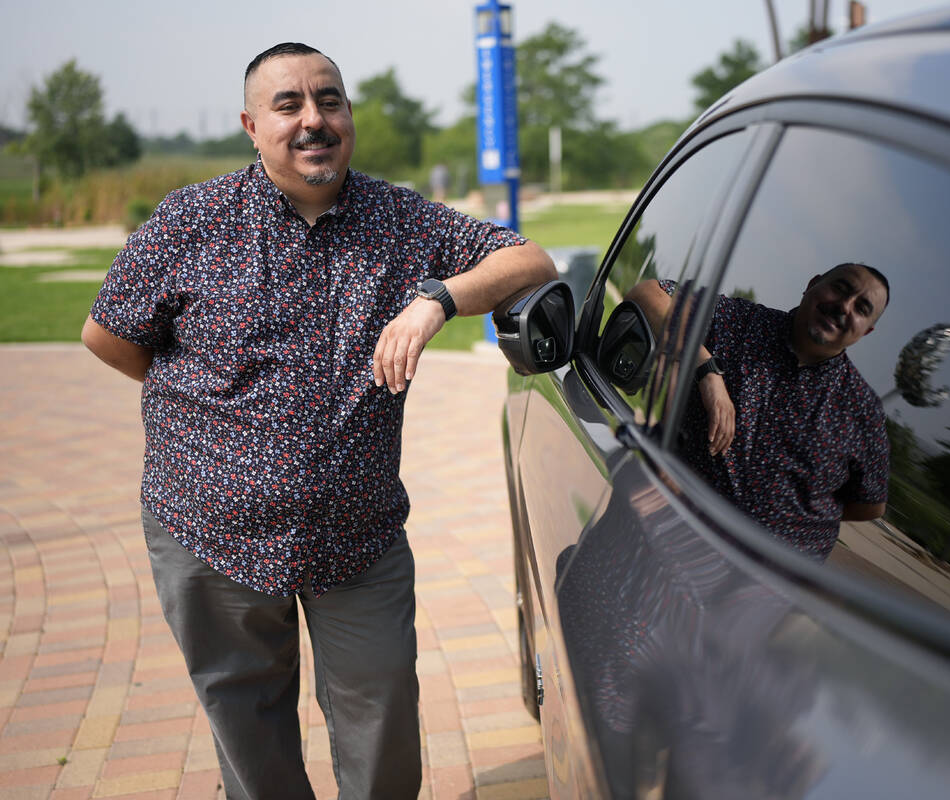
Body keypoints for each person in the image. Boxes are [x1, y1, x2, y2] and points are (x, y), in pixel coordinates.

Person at [80, 42, 556, 800]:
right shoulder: (190, 220)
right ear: (251, 124)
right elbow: (107, 335)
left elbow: (531, 260)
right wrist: (211, 411)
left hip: (358, 535)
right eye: (289, 104)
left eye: (329, 100)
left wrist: (436, 298)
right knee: (247, 723)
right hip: (209, 530)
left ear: (348, 115)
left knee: (384, 711)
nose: (313, 120)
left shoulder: (399, 219)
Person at [627, 262, 890, 560]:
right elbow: (648, 294)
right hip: (666, 536)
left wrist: (789, 517)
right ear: (813, 283)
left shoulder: (863, 409)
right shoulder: (739, 323)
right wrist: (705, 366)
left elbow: (870, 504)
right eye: (841, 288)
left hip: (764, 584)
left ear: (866, 331)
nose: (844, 306)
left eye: (862, 307)